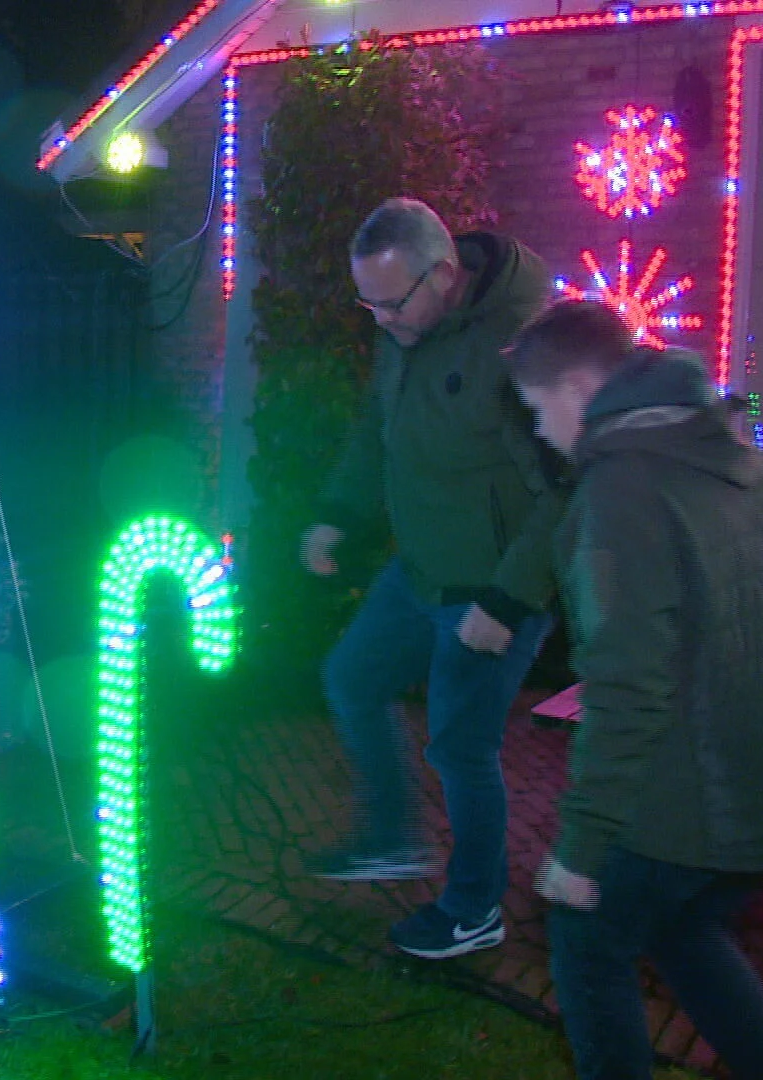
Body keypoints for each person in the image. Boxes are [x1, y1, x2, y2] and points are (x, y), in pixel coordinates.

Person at [506, 300, 763, 1080]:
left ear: (579, 389)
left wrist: (581, 848)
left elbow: (626, 689)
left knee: (586, 939)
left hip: (710, 797)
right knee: (682, 930)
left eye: (537, 409)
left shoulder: (621, 493)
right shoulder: (734, 455)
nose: (539, 432)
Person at [301, 197, 564, 960]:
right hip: (418, 569)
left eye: (391, 303)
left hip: (493, 588)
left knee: (459, 747)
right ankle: (392, 839)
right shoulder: (406, 330)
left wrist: (509, 600)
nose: (381, 321)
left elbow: (565, 489)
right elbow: (376, 428)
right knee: (352, 678)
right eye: (369, 305)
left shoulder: (520, 346)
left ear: (444, 275)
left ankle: (474, 908)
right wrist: (339, 514)